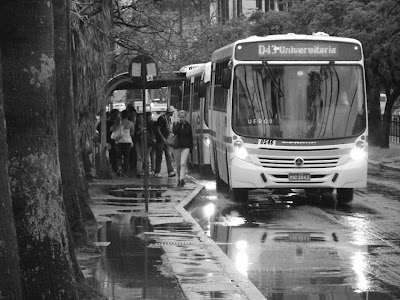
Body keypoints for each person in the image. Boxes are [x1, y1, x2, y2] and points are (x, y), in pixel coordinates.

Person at [172, 110, 193, 187]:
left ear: (185, 117)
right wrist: (179, 124)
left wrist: (191, 148)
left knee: (183, 163)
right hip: (177, 147)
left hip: (186, 147)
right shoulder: (176, 124)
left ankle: (182, 179)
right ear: (178, 117)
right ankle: (178, 179)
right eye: (180, 117)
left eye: (183, 117)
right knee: (178, 165)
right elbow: (174, 132)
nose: (182, 119)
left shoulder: (188, 125)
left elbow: (190, 136)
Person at [111, 109, 135, 176]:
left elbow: (112, 129)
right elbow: (132, 133)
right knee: (126, 157)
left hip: (119, 142)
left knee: (118, 157)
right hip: (128, 141)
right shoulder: (131, 123)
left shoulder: (118, 122)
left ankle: (119, 169)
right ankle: (125, 171)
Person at [154, 105, 176, 178]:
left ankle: (170, 171)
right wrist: (162, 138)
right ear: (170, 112)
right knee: (159, 156)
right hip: (161, 140)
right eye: (172, 112)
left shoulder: (168, 119)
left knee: (168, 156)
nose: (173, 113)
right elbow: (158, 129)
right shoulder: (162, 118)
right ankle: (157, 172)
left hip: (166, 140)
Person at [97, 109, 119, 173]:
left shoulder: (115, 123)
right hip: (105, 141)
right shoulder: (103, 123)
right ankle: (108, 168)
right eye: (115, 115)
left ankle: (114, 169)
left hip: (113, 141)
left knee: (114, 156)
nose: (116, 116)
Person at [145, 111, 157, 176]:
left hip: (148, 141)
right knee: (153, 156)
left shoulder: (145, 123)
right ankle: (153, 170)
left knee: (147, 156)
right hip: (154, 140)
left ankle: (147, 170)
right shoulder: (153, 123)